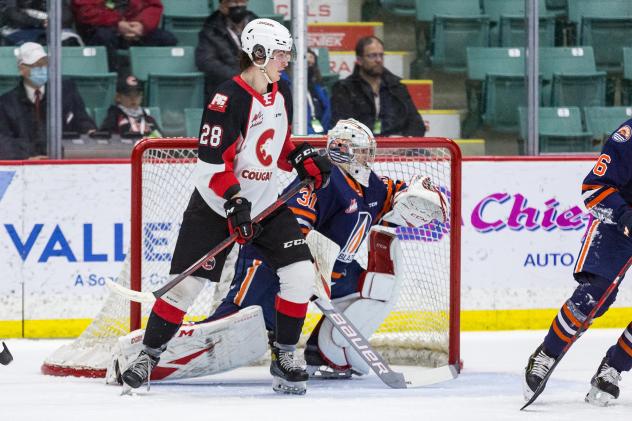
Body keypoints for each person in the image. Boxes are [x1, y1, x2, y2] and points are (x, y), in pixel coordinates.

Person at [108, 119, 448, 383]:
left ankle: (324, 354)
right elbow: (290, 233)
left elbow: (400, 191)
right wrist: (306, 262)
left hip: (337, 273)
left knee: (378, 286)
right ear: (343, 151)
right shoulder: (320, 183)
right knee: (239, 327)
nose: (367, 159)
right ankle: (144, 353)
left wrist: (417, 196)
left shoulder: (373, 185)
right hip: (272, 267)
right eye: (361, 152)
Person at [120, 18, 331, 396]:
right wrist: (235, 202)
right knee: (186, 288)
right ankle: (148, 357)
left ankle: (283, 356)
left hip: (264, 206)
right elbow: (214, 163)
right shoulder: (226, 100)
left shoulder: (278, 95)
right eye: (281, 53)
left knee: (299, 274)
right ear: (260, 53)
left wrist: (302, 158)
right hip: (218, 207)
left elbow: (274, 148)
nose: (287, 60)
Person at [523, 119, 632, 406]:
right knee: (595, 295)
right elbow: (593, 189)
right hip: (618, 224)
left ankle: (613, 368)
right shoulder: (628, 136)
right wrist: (625, 216)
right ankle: (547, 353)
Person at [0, 42, 96, 160]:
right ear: (22, 69)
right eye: (36, 65)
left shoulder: (66, 92)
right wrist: (26, 157)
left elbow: (83, 121)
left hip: (63, 162)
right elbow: (3, 140)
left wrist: (91, 131)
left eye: (45, 64)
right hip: (27, 165)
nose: (42, 69)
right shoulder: (6, 102)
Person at [330, 36, 425, 137]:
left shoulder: (396, 86)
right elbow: (342, 128)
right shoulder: (345, 89)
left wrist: (403, 141)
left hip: (396, 147)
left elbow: (417, 124)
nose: (378, 60)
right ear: (359, 60)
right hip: (361, 148)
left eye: (381, 55)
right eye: (372, 56)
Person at [72, 0, 177, 70]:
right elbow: (85, 11)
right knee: (104, 36)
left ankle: (144, 88)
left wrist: (142, 25)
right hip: (102, 28)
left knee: (167, 39)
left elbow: (153, 6)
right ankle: (112, 84)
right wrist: (117, 23)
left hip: (135, 27)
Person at [195, 0, 257, 101]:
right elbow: (207, 61)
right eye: (232, 2)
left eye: (241, 2)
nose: (238, 6)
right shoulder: (211, 28)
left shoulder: (258, 25)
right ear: (222, 5)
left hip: (257, 85)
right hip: (226, 89)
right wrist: (241, 78)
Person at [280, 49, 331, 135]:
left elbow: (327, 114)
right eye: (305, 63)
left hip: (320, 135)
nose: (307, 68)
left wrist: (321, 134)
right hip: (297, 136)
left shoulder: (318, 88)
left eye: (311, 64)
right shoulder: (284, 84)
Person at [98, 73, 162, 137]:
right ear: (118, 97)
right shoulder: (114, 116)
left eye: (137, 95)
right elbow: (104, 137)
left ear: (142, 97)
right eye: (128, 95)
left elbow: (161, 139)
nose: (133, 99)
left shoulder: (148, 118)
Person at [0, 0, 83, 46]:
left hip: (51, 31)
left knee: (69, 41)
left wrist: (49, 22)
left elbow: (66, 16)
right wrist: (40, 22)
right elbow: (12, 14)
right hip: (20, 31)